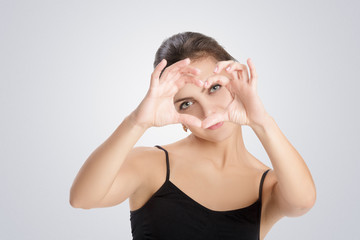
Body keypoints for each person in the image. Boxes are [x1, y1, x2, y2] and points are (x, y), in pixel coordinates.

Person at [69, 32, 316, 240]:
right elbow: (82, 198)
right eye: (187, 103)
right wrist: (137, 122)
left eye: (214, 88)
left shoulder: (267, 186)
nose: (208, 112)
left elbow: (303, 202)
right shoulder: (150, 164)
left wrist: (261, 121)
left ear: (235, 79)